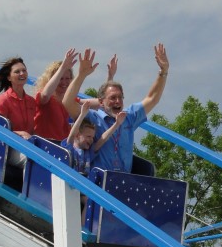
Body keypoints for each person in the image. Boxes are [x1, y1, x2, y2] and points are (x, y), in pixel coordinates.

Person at [63, 43, 169, 173]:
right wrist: (81, 75)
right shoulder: (92, 118)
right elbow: (67, 103)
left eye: (120, 97)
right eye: (113, 98)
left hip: (124, 183)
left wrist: (163, 71)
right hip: (98, 186)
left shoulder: (128, 117)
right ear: (101, 102)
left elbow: (152, 98)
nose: (117, 101)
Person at [62, 99, 128, 176]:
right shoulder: (70, 148)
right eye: (88, 136)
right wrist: (82, 114)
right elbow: (72, 134)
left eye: (92, 137)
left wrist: (117, 124)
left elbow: (102, 139)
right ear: (78, 135)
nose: (91, 140)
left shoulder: (88, 153)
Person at [0, 57, 35, 167]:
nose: (22, 74)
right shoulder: (3, 100)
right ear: (9, 77)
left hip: (30, 145)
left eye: (24, 70)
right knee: (32, 159)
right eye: (17, 72)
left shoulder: (31, 101)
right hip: (10, 148)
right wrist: (21, 133)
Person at [33, 49, 79, 141]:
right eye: (60, 79)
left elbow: (97, 103)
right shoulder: (46, 98)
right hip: (45, 145)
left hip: (61, 146)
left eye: (67, 78)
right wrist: (63, 67)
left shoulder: (68, 100)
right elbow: (45, 95)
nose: (64, 82)